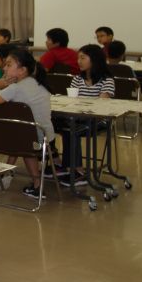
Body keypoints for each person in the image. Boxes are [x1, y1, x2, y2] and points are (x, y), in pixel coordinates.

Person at [0, 49, 56, 199]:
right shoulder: (39, 84)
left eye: (9, 65)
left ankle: (0, 171)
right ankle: (36, 184)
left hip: (26, 139)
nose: (4, 68)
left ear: (22, 70)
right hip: (44, 138)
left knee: (19, 133)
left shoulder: (15, 88)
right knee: (23, 133)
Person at [58, 44, 116, 187]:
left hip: (98, 120)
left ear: (94, 59)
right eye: (78, 58)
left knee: (72, 129)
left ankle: (78, 170)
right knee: (60, 125)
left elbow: (101, 104)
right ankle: (65, 166)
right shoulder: (77, 79)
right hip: (78, 117)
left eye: (83, 58)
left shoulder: (107, 80)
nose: (79, 61)